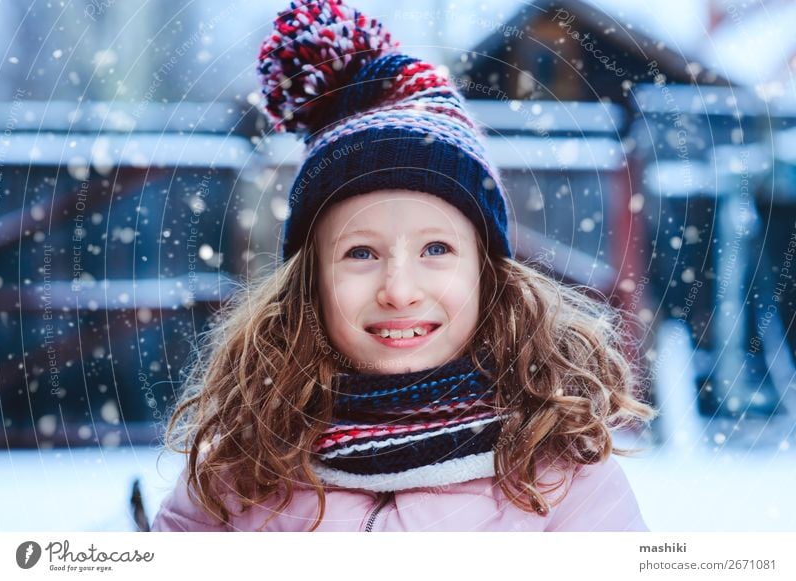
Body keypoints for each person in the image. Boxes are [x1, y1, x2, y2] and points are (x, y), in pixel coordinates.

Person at [151, 0, 656, 532]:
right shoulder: (239, 475)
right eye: (361, 253)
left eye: (436, 249)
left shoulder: (561, 478)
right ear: (309, 284)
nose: (399, 290)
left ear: (489, 277)